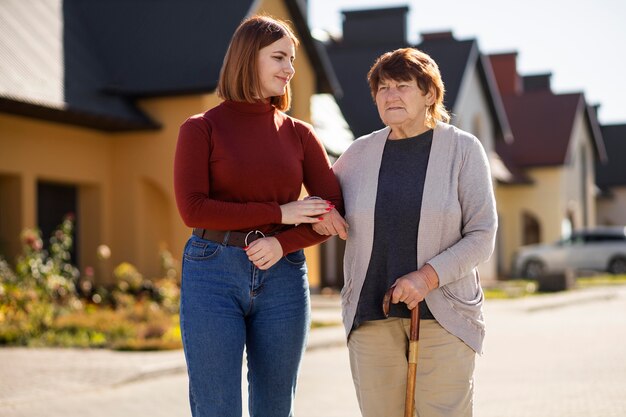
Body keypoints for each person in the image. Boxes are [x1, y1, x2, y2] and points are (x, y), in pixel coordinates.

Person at [173, 15, 343, 417]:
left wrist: (282, 241)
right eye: (280, 58)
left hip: (284, 275)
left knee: (274, 406)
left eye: (293, 60)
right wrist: (281, 212)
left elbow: (333, 209)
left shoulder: (300, 134)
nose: (290, 69)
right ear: (249, 58)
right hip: (212, 272)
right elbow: (192, 208)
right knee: (217, 407)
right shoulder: (200, 129)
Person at [314, 47, 497, 417]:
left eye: (402, 86)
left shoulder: (463, 150)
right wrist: (323, 214)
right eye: (382, 88)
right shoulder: (358, 153)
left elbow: (482, 234)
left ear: (430, 94)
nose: (390, 95)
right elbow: (324, 201)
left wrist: (427, 278)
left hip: (444, 315)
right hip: (371, 314)